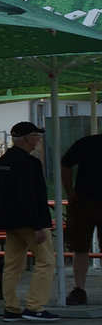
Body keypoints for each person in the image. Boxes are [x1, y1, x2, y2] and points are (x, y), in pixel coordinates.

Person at [0, 121, 60, 322]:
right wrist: (38, 225)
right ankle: (35, 306)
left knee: (12, 265)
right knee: (46, 261)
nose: (37, 140)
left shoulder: (3, 161)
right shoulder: (30, 163)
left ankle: (11, 308)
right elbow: (30, 196)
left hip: (10, 222)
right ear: (26, 139)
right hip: (31, 222)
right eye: (35, 136)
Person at [59, 126, 102, 305]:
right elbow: (65, 163)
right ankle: (79, 289)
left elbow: (65, 164)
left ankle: (79, 289)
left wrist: (69, 191)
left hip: (83, 199)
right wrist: (69, 191)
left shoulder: (86, 142)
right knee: (80, 246)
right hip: (84, 200)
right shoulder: (86, 143)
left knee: (80, 247)